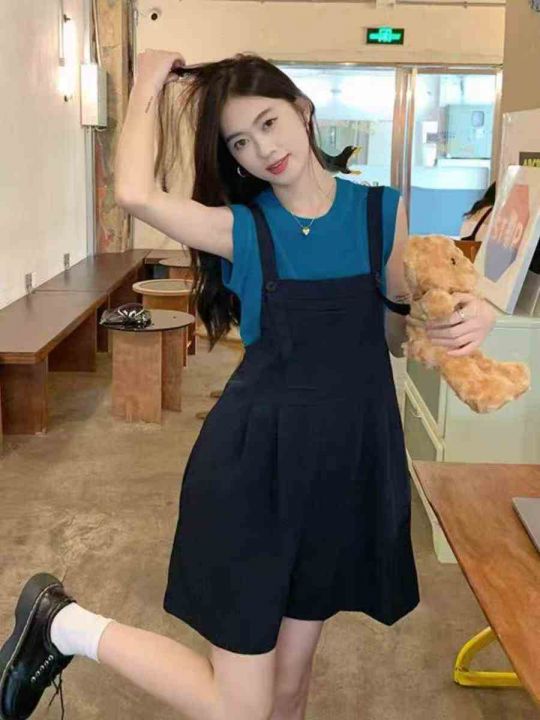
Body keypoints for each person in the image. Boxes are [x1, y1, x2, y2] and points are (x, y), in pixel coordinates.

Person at [0, 50, 497, 720]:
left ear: (303, 111)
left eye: (268, 123)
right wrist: (147, 81)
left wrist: (468, 315)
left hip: (342, 468)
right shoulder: (244, 227)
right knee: (241, 706)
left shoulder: (383, 212)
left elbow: (393, 332)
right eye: (240, 141)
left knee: (288, 691)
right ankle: (64, 624)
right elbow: (136, 194)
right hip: (256, 469)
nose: (262, 149)